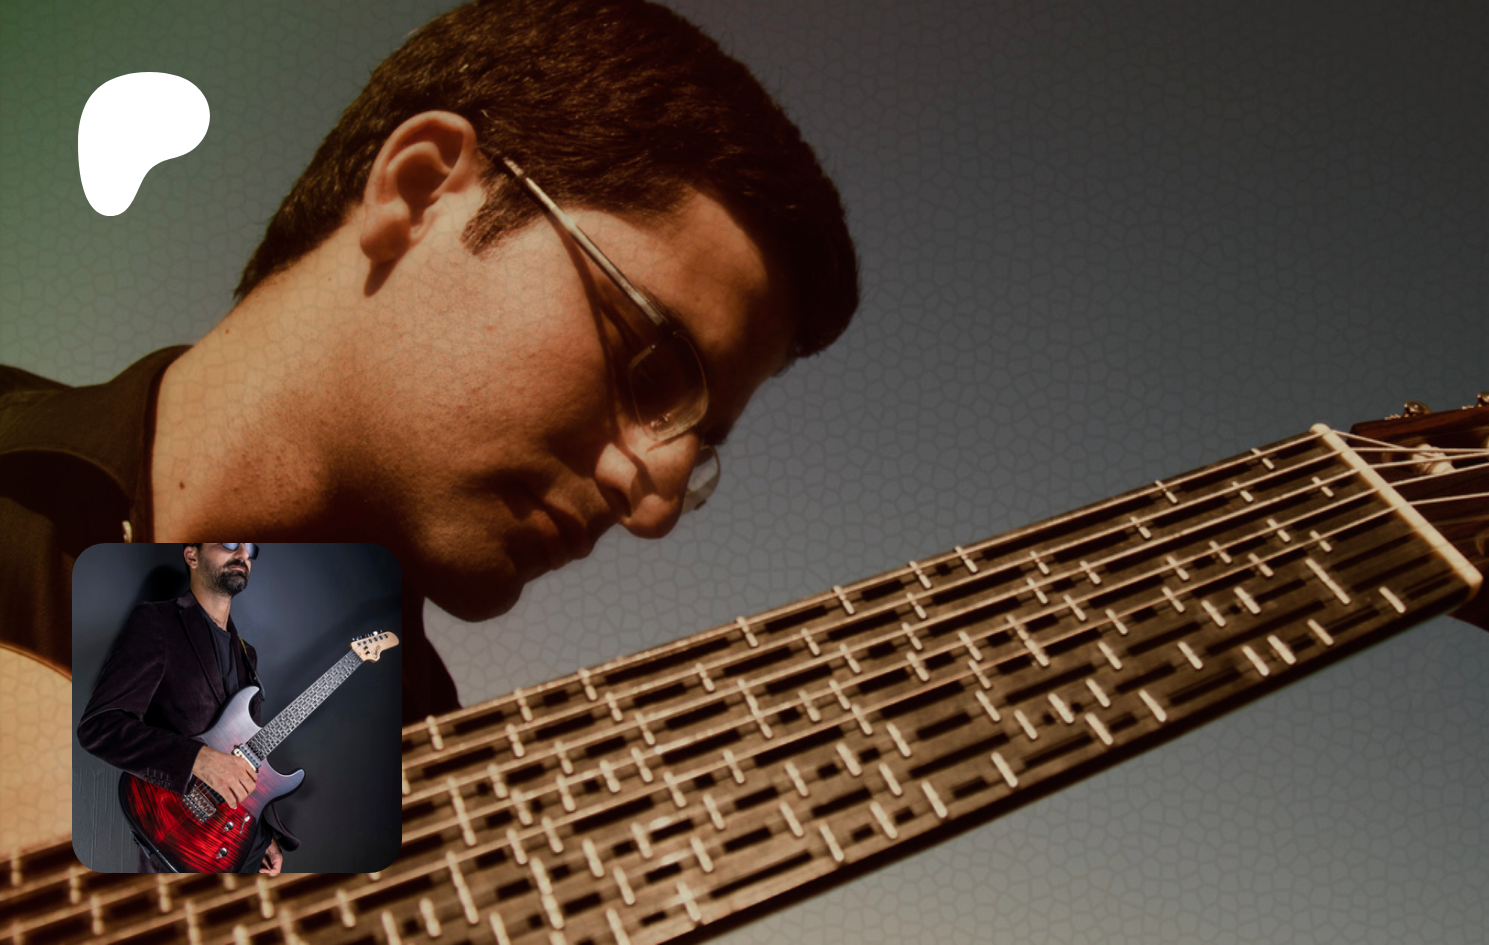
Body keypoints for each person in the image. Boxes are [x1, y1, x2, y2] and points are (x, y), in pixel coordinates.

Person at [0, 0, 859, 732]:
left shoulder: (408, 798)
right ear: (416, 192)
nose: (656, 503)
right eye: (657, 369)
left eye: (699, 445)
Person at [77, 543, 291, 873]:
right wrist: (197, 759)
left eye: (250, 547)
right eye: (229, 542)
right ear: (192, 555)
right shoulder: (157, 622)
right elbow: (100, 727)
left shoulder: (247, 654)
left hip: (240, 844)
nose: (242, 553)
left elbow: (252, 755)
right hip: (177, 843)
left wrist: (263, 835)